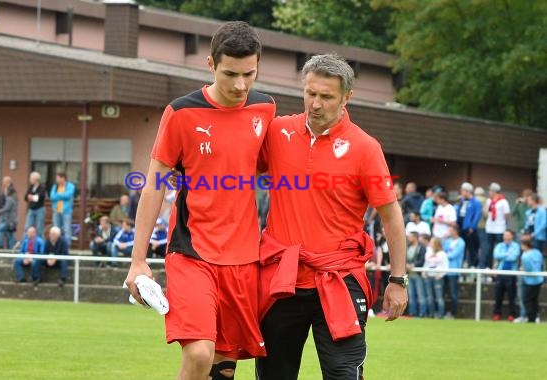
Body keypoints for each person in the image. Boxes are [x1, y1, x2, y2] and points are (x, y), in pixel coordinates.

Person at [125, 21, 276, 380]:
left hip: (244, 260)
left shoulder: (265, 109)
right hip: (192, 254)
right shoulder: (181, 113)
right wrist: (137, 261)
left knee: (223, 369)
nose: (240, 85)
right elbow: (154, 186)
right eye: (230, 74)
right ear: (210, 64)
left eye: (249, 74)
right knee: (198, 353)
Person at [256, 54, 407, 380]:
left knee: (344, 374)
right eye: (310, 93)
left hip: (339, 278)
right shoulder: (277, 132)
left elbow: (391, 217)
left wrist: (397, 280)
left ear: (346, 97)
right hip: (283, 278)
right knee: (273, 375)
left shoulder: (365, 147)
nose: (316, 103)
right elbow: (233, 163)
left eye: (326, 96)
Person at [492, 230, 520, 321]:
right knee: (498, 295)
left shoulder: (516, 246)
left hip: (511, 273)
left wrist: (503, 256)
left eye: (508, 235)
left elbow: (514, 257)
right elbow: (496, 255)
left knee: (512, 295)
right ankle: (497, 313)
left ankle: (512, 314)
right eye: (505, 235)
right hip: (500, 272)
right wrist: (507, 254)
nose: (506, 237)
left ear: (512, 236)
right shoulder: (499, 245)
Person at [515, 237, 544, 324]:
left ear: (525, 245)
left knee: (526, 300)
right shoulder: (537, 252)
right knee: (534, 300)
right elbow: (540, 264)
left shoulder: (525, 256)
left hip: (530, 281)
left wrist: (522, 269)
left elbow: (529, 269)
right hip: (539, 279)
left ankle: (531, 318)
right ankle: (535, 317)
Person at [483, 182, 510, 269]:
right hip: (490, 228)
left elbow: (507, 215)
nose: (489, 192)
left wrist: (504, 224)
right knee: (489, 249)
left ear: (494, 191)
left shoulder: (503, 201)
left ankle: (498, 266)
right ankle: (488, 267)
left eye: (490, 190)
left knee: (499, 249)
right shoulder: (488, 201)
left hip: (500, 228)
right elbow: (485, 214)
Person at [455, 182, 481, 269]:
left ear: (467, 191)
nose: (461, 193)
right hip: (460, 227)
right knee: (462, 247)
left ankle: (473, 265)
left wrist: (472, 227)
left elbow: (477, 215)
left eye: (462, 191)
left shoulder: (476, 202)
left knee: (472, 248)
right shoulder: (462, 201)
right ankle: (461, 266)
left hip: (469, 228)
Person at [422, 237, 449, 318]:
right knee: (429, 297)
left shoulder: (442, 254)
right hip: (429, 276)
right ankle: (431, 314)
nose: (430, 243)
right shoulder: (428, 253)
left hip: (438, 278)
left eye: (432, 242)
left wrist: (441, 275)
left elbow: (446, 267)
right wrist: (424, 272)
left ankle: (440, 314)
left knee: (439, 297)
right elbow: (426, 264)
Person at [443, 225, 465, 319]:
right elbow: (442, 251)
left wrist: (443, 256)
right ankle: (443, 312)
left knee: (453, 293)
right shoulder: (447, 241)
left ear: (456, 231)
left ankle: (453, 313)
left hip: (453, 270)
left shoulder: (461, 242)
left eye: (451, 230)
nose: (449, 232)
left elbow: (453, 255)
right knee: (444, 292)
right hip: (444, 269)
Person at [50, 172, 75, 243]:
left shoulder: (70, 186)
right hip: (56, 210)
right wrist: (62, 195)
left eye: (58, 178)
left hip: (66, 210)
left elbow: (68, 195)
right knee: (56, 228)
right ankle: (56, 243)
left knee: (67, 228)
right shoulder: (55, 186)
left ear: (63, 178)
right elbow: (52, 196)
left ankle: (67, 245)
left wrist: (58, 195)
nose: (56, 180)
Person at [0, 178, 18, 249]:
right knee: (9, 235)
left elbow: (6, 209)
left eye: (5, 191)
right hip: (9, 219)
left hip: (9, 220)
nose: (4, 192)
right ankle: (12, 249)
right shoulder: (9, 198)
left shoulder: (10, 199)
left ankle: (1, 246)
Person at [406, 231, 426, 317]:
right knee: (411, 295)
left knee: (420, 295)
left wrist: (413, 265)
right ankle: (412, 312)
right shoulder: (408, 247)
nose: (409, 238)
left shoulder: (421, 247)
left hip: (417, 274)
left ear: (415, 237)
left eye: (410, 236)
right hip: (409, 274)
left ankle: (422, 313)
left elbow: (422, 260)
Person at [23, 171, 46, 237]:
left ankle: (39, 244)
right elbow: (25, 197)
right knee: (27, 227)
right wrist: (32, 197)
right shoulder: (31, 187)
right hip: (31, 209)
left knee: (39, 228)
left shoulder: (42, 187)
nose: (30, 179)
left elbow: (39, 197)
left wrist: (32, 197)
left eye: (31, 178)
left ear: (35, 179)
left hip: (40, 209)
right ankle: (25, 242)